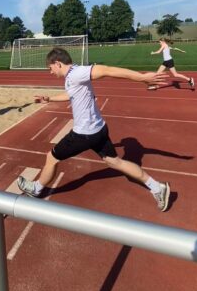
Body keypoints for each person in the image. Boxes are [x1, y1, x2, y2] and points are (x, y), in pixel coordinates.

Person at [17, 47, 172, 211]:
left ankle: (36, 188)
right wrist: (48, 98)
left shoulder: (77, 73)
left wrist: (141, 78)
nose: (50, 72)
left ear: (58, 63)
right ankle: (157, 187)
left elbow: (106, 70)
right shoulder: (72, 75)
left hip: (83, 134)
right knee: (115, 162)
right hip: (99, 130)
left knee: (51, 157)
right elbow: (70, 94)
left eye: (50, 68)